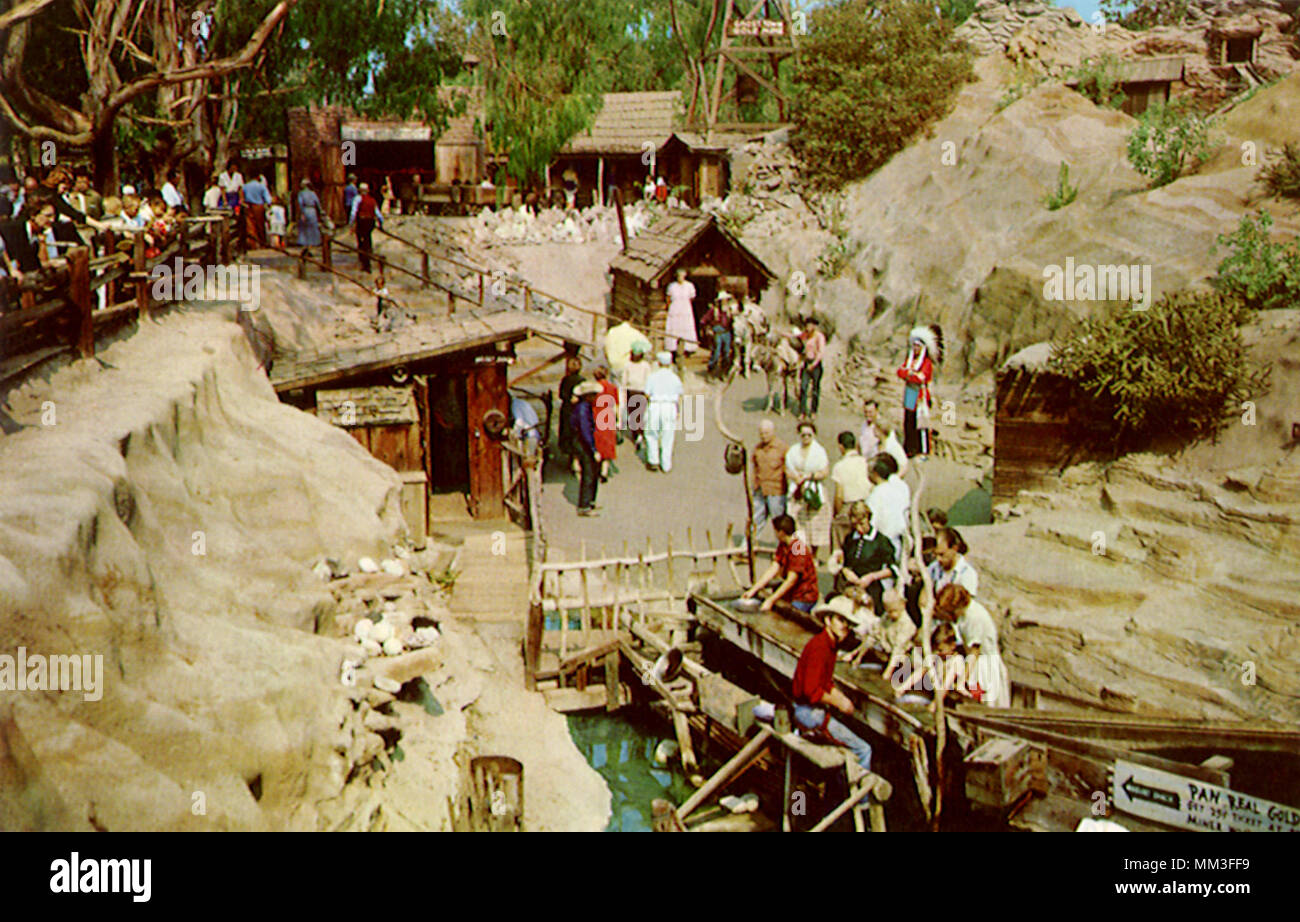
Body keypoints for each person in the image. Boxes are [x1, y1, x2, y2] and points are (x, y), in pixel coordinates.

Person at [788, 598, 872, 772]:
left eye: (848, 624)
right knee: (864, 749)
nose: (845, 627)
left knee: (847, 729)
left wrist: (840, 697)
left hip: (810, 709)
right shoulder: (820, 647)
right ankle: (862, 799)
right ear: (828, 620)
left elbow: (825, 682)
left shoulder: (830, 645)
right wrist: (839, 702)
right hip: (808, 713)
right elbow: (811, 691)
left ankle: (840, 787)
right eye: (841, 621)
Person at [933, 583, 1009, 707]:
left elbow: (975, 652)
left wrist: (962, 680)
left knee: (987, 706)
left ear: (957, 606)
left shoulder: (974, 617)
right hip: (975, 663)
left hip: (986, 666)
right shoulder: (963, 615)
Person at [741, 514, 820, 615]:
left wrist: (771, 600)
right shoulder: (783, 545)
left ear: (781, 532)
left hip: (804, 596)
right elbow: (773, 568)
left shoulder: (798, 549)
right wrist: (753, 590)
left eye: (775, 531)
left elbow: (791, 580)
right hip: (792, 593)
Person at [828, 501, 897, 612]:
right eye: (855, 525)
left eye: (862, 524)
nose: (859, 529)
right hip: (851, 589)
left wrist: (871, 577)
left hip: (871, 590)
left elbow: (893, 569)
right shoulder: (850, 538)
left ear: (868, 519)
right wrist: (846, 572)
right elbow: (843, 563)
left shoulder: (880, 541)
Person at [785, 420, 831, 560]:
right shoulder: (793, 450)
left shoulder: (819, 451)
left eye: (809, 435)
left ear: (813, 435)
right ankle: (797, 553)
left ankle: (814, 556)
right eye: (803, 434)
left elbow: (824, 472)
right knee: (797, 525)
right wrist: (795, 477)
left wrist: (809, 476)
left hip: (813, 492)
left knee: (814, 525)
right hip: (797, 491)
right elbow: (787, 470)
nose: (806, 437)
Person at [897, 324, 942, 458]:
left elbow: (921, 378)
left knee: (921, 423)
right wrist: (910, 374)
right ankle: (909, 448)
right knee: (908, 421)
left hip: (920, 396)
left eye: (918, 346)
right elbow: (900, 371)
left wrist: (909, 375)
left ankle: (923, 449)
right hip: (910, 394)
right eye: (914, 346)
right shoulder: (910, 361)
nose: (915, 348)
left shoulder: (926, 363)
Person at [867, 452, 910, 565]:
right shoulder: (901, 487)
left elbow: (872, 523)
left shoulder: (876, 494)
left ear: (875, 474)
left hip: (883, 544)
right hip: (900, 541)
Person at [643, 351, 683, 473]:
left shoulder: (653, 376)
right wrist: (677, 410)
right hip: (669, 406)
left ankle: (653, 460)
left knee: (651, 433)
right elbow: (680, 394)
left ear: (659, 363)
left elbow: (646, 394)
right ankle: (666, 464)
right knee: (668, 435)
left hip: (655, 405)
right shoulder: (675, 378)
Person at [830, 431, 871, 548]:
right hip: (864, 506)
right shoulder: (865, 462)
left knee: (840, 542)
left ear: (841, 447)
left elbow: (839, 495)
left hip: (848, 507)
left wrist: (836, 514)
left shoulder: (839, 466)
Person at [750, 419, 788, 537]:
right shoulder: (757, 449)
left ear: (773, 432)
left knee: (779, 523)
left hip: (776, 492)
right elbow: (755, 468)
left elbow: (788, 470)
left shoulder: (782, 448)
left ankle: (781, 551)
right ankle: (747, 547)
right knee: (756, 519)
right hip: (760, 491)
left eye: (766, 433)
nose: (763, 436)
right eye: (761, 433)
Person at [571, 380, 603, 516]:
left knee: (593, 472)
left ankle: (590, 501)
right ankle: (584, 505)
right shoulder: (583, 409)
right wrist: (593, 449)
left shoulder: (583, 407)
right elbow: (585, 430)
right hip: (584, 443)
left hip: (582, 440)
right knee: (589, 473)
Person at [927, 526, 979, 597]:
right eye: (936, 555)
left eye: (942, 555)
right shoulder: (934, 568)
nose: (938, 559)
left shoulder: (967, 573)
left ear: (954, 548)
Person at [622, 342, 651, 450]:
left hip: (631, 391)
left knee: (633, 413)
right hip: (642, 391)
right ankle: (640, 433)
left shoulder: (627, 365)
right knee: (641, 413)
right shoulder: (646, 365)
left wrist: (624, 391)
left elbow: (624, 380)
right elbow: (648, 379)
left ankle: (636, 434)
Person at [592, 366, 619, 482]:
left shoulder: (593, 388)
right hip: (608, 416)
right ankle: (604, 471)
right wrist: (617, 420)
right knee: (608, 443)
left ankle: (596, 465)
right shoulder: (612, 387)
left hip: (596, 415)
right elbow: (616, 405)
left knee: (597, 441)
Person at [557, 356, 584, 474]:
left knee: (568, 432)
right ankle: (576, 459)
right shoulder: (582, 381)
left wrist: (569, 398)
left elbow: (561, 395)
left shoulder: (565, 380)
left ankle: (571, 458)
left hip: (567, 410)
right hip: (578, 410)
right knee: (577, 434)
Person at [663, 268, 697, 358]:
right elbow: (668, 298)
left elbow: (692, 298)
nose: (680, 278)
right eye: (679, 276)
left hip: (685, 309)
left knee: (686, 327)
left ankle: (688, 349)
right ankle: (673, 348)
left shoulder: (689, 286)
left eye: (682, 276)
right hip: (675, 309)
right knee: (674, 328)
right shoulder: (672, 286)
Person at [797, 316, 827, 417]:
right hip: (806, 362)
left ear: (814, 326)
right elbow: (794, 336)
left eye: (810, 325)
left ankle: (813, 411)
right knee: (803, 387)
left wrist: (813, 364)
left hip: (816, 364)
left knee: (815, 389)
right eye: (807, 325)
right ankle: (802, 411)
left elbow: (821, 352)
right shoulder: (805, 335)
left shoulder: (819, 337)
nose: (808, 327)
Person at [349, 182, 382, 272]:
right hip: (370, 221)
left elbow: (353, 212)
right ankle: (368, 258)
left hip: (362, 220)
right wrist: (380, 223)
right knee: (367, 239)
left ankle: (364, 261)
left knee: (361, 241)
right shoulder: (372, 200)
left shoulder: (358, 199)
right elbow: (378, 213)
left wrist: (351, 223)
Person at [702, 292, 735, 377]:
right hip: (717, 333)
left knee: (727, 353)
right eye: (722, 301)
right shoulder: (714, 310)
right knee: (716, 352)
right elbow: (704, 320)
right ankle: (712, 368)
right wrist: (708, 329)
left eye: (726, 301)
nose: (724, 302)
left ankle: (724, 371)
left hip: (726, 333)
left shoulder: (730, 311)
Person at [241, 174, 270, 248]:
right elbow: (267, 199)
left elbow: (242, 196)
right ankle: (262, 243)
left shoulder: (245, 186)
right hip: (258, 206)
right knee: (260, 225)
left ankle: (252, 244)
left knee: (250, 225)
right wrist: (268, 204)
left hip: (248, 206)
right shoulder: (261, 186)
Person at [296, 178, 323, 250]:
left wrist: (301, 213)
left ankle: (305, 244)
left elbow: (300, 204)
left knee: (304, 228)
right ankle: (312, 244)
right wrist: (320, 211)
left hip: (305, 210)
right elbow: (318, 203)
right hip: (312, 211)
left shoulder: (301, 193)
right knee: (313, 227)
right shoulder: (313, 193)